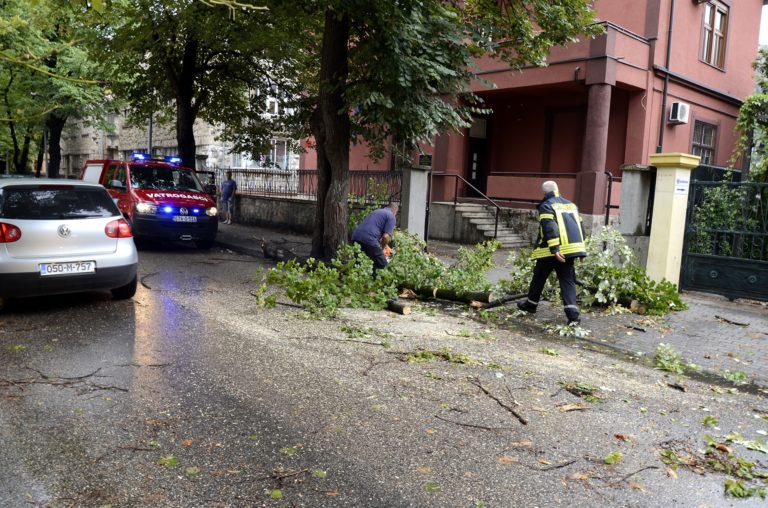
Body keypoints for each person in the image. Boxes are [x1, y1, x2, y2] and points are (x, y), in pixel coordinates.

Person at [517, 180, 587, 325]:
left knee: (539, 277)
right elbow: (580, 227)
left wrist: (555, 249)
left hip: (550, 251)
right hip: (569, 251)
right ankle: (573, 315)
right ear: (557, 189)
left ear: (545, 193)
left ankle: (531, 305)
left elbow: (550, 227)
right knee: (567, 281)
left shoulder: (547, 205)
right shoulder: (571, 205)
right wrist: (581, 251)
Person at [351, 202, 398, 271]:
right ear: (395, 211)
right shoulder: (391, 216)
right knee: (384, 266)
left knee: (360, 265)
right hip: (369, 239)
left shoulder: (377, 211)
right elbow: (385, 237)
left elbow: (374, 229)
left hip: (356, 237)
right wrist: (381, 249)